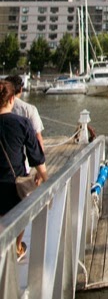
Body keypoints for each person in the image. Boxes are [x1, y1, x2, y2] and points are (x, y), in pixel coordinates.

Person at [0, 79, 48, 262]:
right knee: (18, 218)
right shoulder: (22, 123)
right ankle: (17, 247)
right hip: (14, 183)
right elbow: (36, 156)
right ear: (12, 99)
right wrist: (45, 177)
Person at [5, 75, 45, 150]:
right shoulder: (30, 109)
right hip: (23, 157)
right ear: (21, 89)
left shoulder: (3, 108)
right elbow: (38, 136)